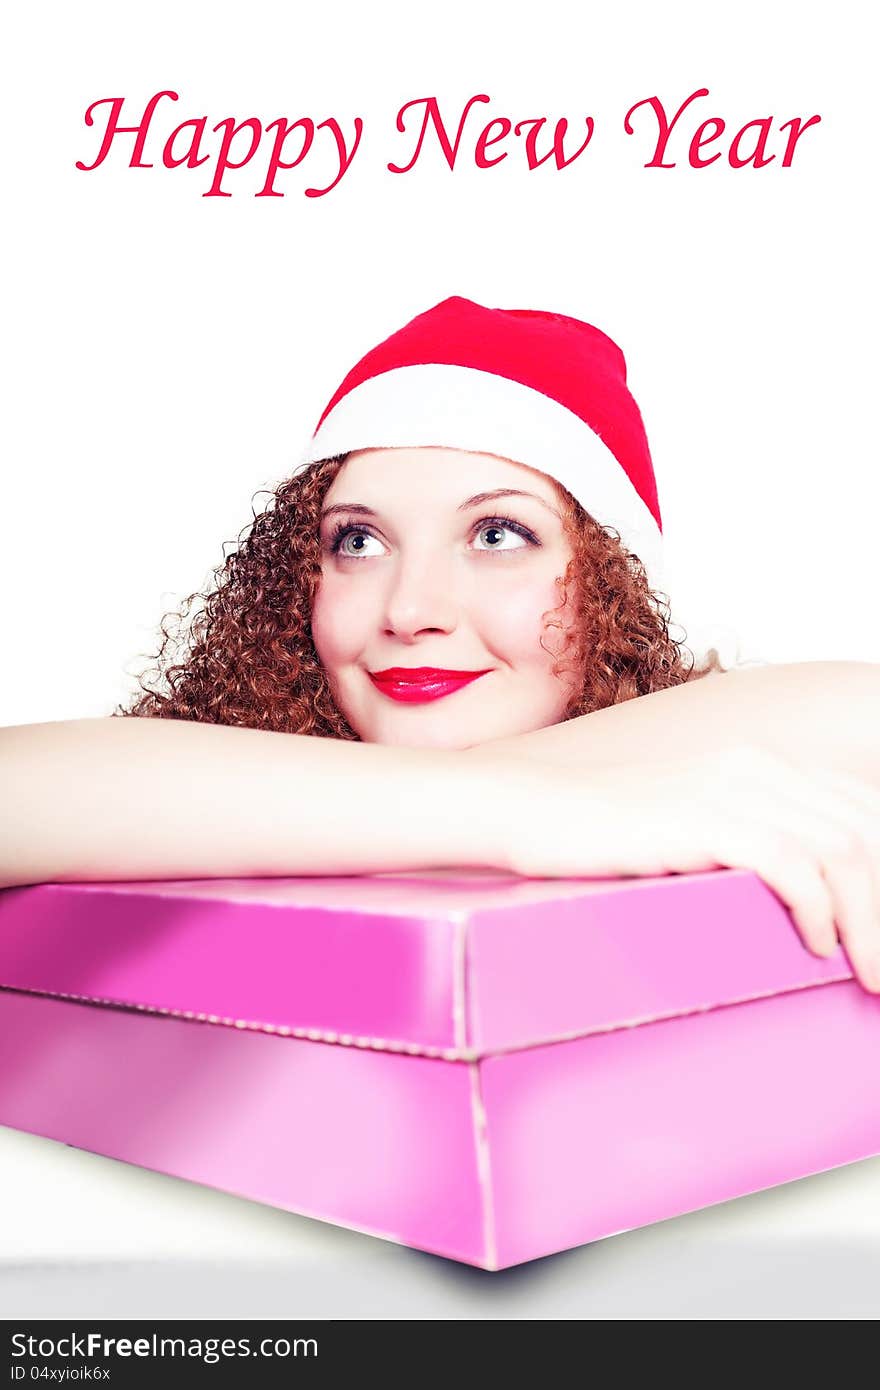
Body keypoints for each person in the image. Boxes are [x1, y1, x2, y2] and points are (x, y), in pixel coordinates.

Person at [1, 297, 878, 992]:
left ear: (612, 586)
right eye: (357, 541)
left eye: (498, 534)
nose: (410, 610)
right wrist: (529, 811)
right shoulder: (177, 774)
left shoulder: (724, 749)